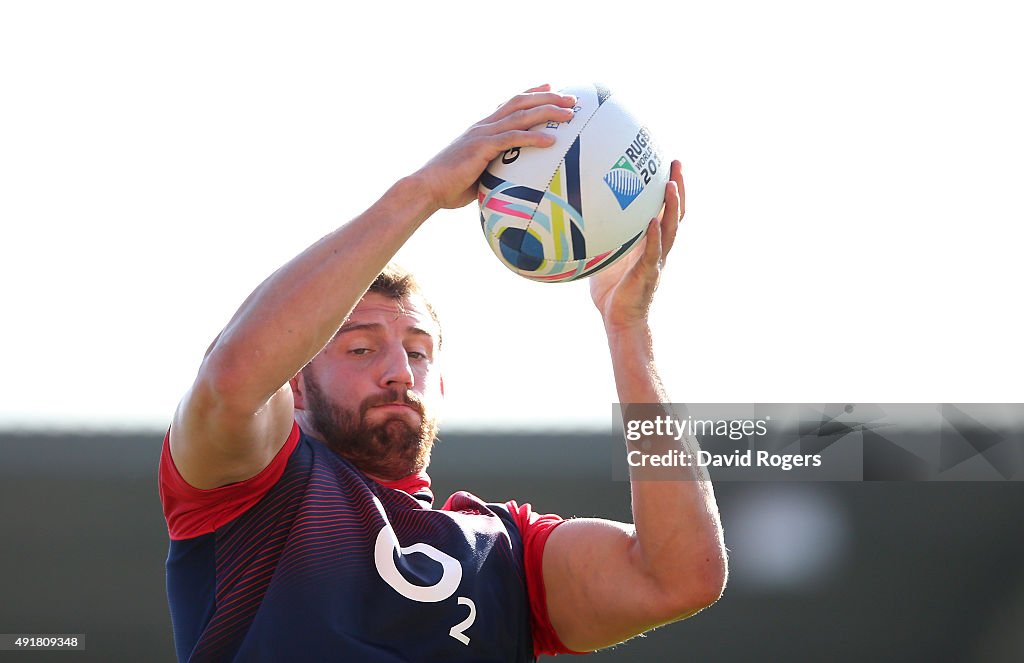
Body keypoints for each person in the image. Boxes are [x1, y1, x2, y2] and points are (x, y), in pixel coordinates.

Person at [159, 84, 727, 662]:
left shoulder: (503, 553)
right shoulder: (252, 491)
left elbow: (681, 578)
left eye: (418, 350)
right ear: (296, 383)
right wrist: (423, 192)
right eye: (359, 349)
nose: (398, 371)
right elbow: (234, 379)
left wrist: (627, 330)